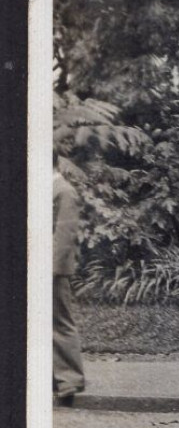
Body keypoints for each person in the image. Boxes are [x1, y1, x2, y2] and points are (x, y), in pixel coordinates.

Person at [53, 160, 86, 406]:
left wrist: (51, 270)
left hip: (53, 271)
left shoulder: (63, 191)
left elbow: (65, 236)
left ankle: (70, 381)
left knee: (60, 322)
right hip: (36, 268)